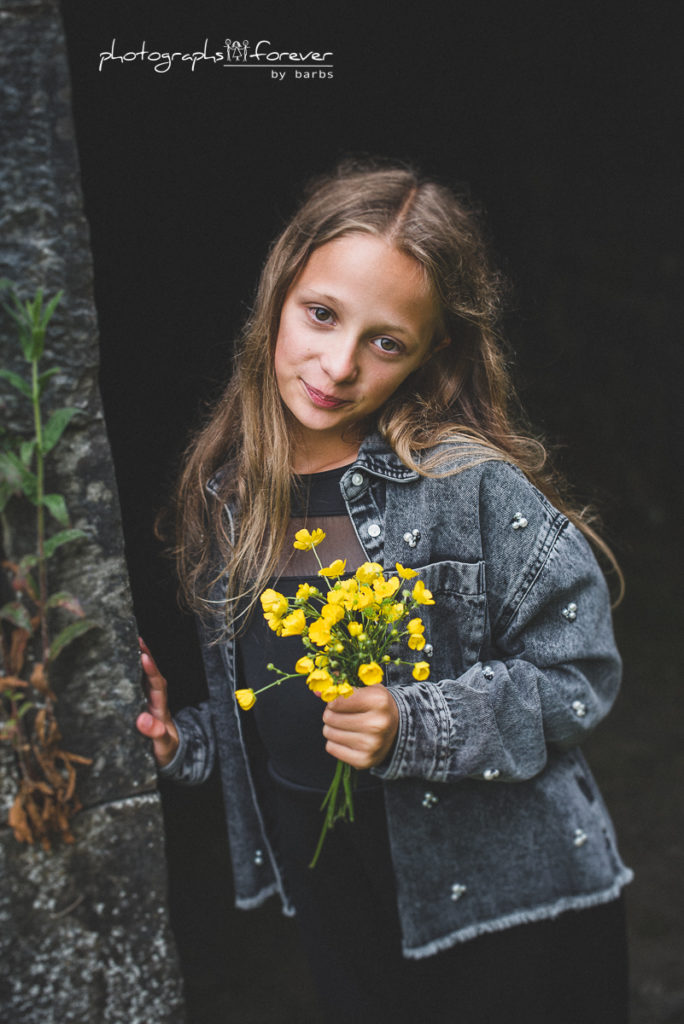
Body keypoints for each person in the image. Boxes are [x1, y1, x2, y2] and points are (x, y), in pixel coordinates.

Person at [136, 160, 633, 1023]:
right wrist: (181, 743)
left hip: (506, 908)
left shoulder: (465, 487)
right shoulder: (229, 496)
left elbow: (579, 676)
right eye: (322, 314)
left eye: (385, 341)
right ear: (280, 287)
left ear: (430, 353)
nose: (338, 364)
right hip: (340, 899)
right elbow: (272, 704)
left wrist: (420, 721)